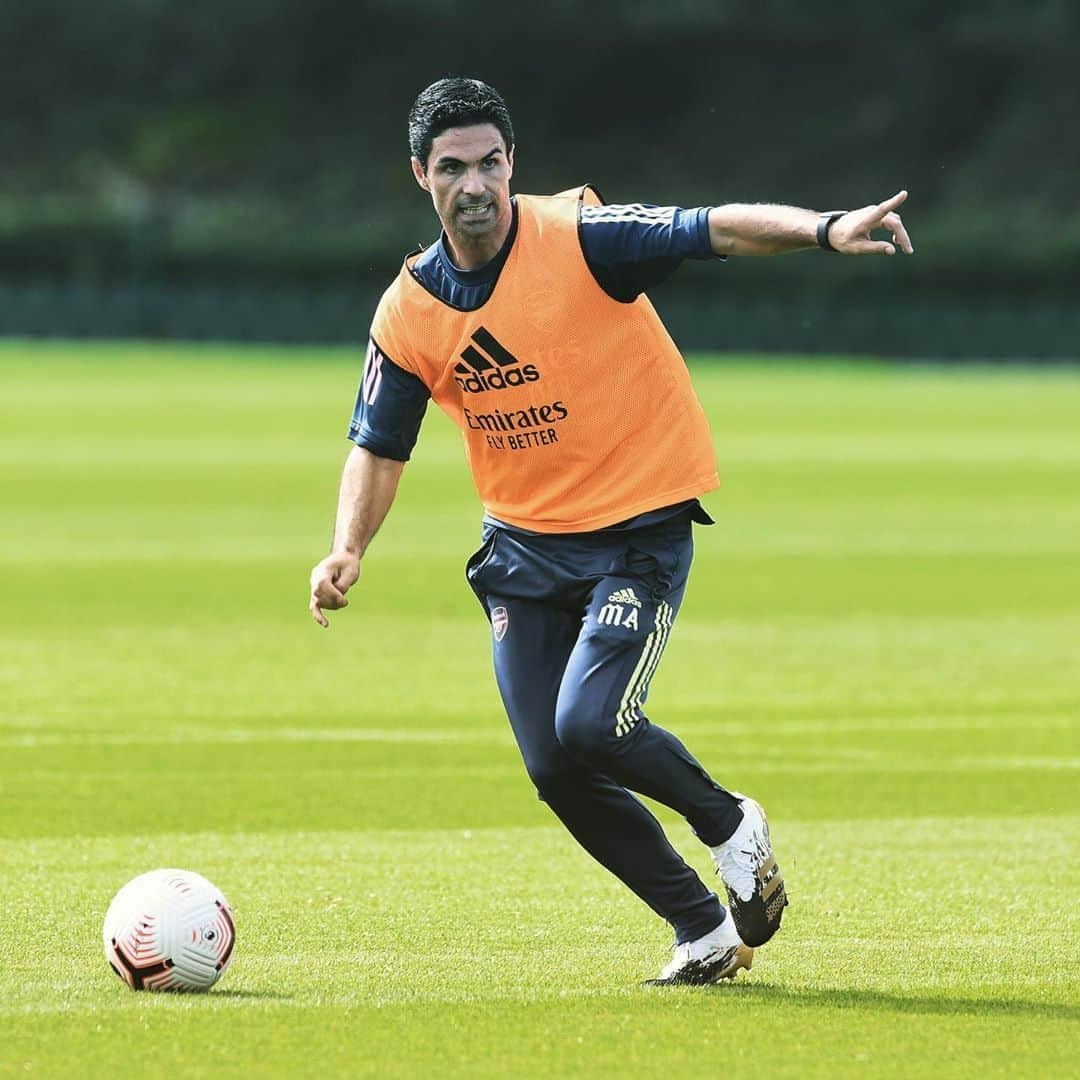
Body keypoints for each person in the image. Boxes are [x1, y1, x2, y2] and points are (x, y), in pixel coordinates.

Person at [309, 77, 913, 985]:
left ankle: (729, 824)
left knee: (592, 720)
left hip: (638, 527)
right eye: (451, 168)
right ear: (419, 177)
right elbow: (378, 443)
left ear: (513, 163)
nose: (475, 185)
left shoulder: (579, 237)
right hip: (521, 546)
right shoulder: (409, 310)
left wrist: (823, 228)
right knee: (554, 766)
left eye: (490, 163)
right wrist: (348, 545)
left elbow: (714, 227)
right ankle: (702, 930)